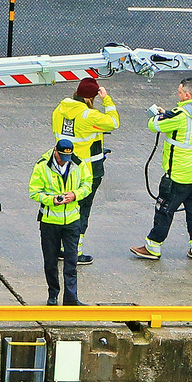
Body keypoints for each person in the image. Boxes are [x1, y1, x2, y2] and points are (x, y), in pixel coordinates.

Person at [130, 77, 192, 261]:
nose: (178, 94)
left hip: (178, 175)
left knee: (164, 210)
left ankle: (152, 246)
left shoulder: (180, 115)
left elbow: (154, 125)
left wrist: (160, 115)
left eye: (180, 92)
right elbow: (183, 124)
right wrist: (169, 114)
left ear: (187, 94)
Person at [51, 77, 118, 266]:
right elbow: (113, 122)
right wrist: (107, 100)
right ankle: (74, 252)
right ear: (90, 98)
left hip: (62, 168)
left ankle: (61, 248)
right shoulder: (90, 116)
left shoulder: (59, 111)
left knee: (65, 208)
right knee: (82, 211)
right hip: (87, 172)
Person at [30, 137, 93, 305]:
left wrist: (75, 195)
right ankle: (53, 296)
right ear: (55, 152)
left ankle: (71, 298)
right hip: (50, 222)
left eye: (68, 158)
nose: (65, 162)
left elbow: (88, 184)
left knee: (71, 262)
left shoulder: (78, 163)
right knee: (50, 262)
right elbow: (34, 192)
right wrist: (52, 200)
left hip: (72, 221)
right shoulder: (42, 166)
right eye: (61, 158)